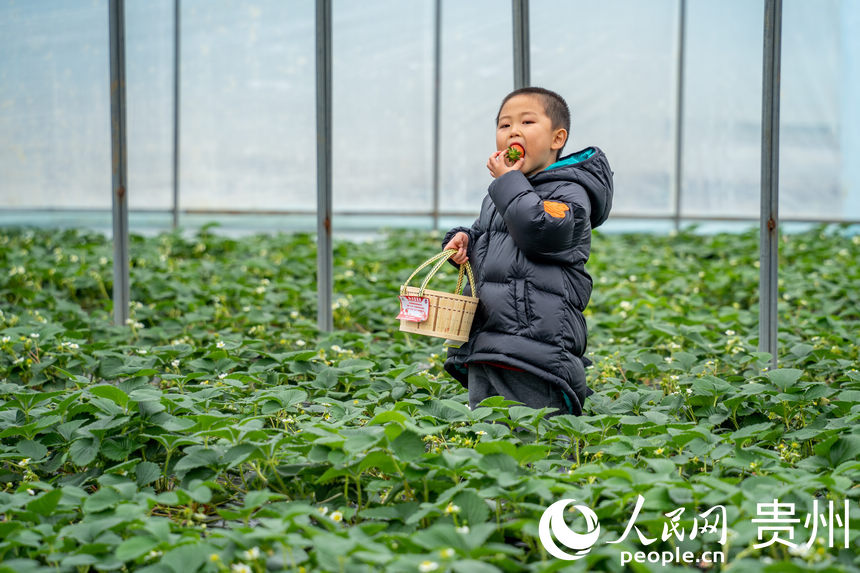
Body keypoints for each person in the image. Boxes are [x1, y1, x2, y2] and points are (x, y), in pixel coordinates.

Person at [441, 86, 613, 417]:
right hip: (488, 339)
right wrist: (463, 240)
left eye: (527, 122)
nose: (513, 131)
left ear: (557, 138)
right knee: (488, 431)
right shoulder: (501, 193)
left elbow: (541, 233)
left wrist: (507, 183)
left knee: (537, 435)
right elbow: (492, 242)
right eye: (504, 125)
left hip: (535, 346)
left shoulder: (570, 192)